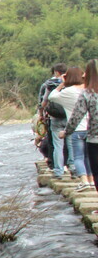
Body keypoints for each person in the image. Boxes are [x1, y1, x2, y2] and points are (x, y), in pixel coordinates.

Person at [60, 59, 98, 198]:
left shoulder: (87, 94)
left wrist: (66, 132)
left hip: (94, 139)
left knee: (96, 173)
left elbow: (76, 117)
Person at [50, 66, 88, 187]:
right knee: (88, 156)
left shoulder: (68, 92)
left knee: (77, 156)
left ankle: (83, 180)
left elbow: (51, 97)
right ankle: (91, 180)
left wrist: (62, 84)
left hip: (75, 128)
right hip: (91, 128)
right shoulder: (89, 90)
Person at [40, 63, 68, 175]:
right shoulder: (73, 85)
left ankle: (56, 167)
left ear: (56, 72)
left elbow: (43, 102)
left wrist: (41, 114)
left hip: (53, 117)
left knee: (56, 144)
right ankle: (69, 165)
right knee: (69, 143)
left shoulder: (48, 84)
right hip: (68, 117)